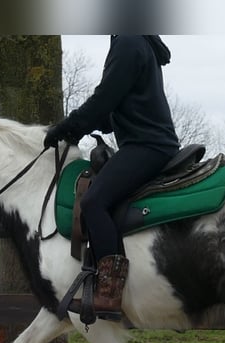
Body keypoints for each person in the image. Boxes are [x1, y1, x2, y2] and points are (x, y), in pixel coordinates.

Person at [44, 35, 180, 321]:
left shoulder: (128, 42)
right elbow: (118, 102)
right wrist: (93, 121)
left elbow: (106, 96)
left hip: (147, 145)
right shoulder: (137, 40)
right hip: (147, 142)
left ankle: (110, 291)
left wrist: (71, 127)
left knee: (94, 202)